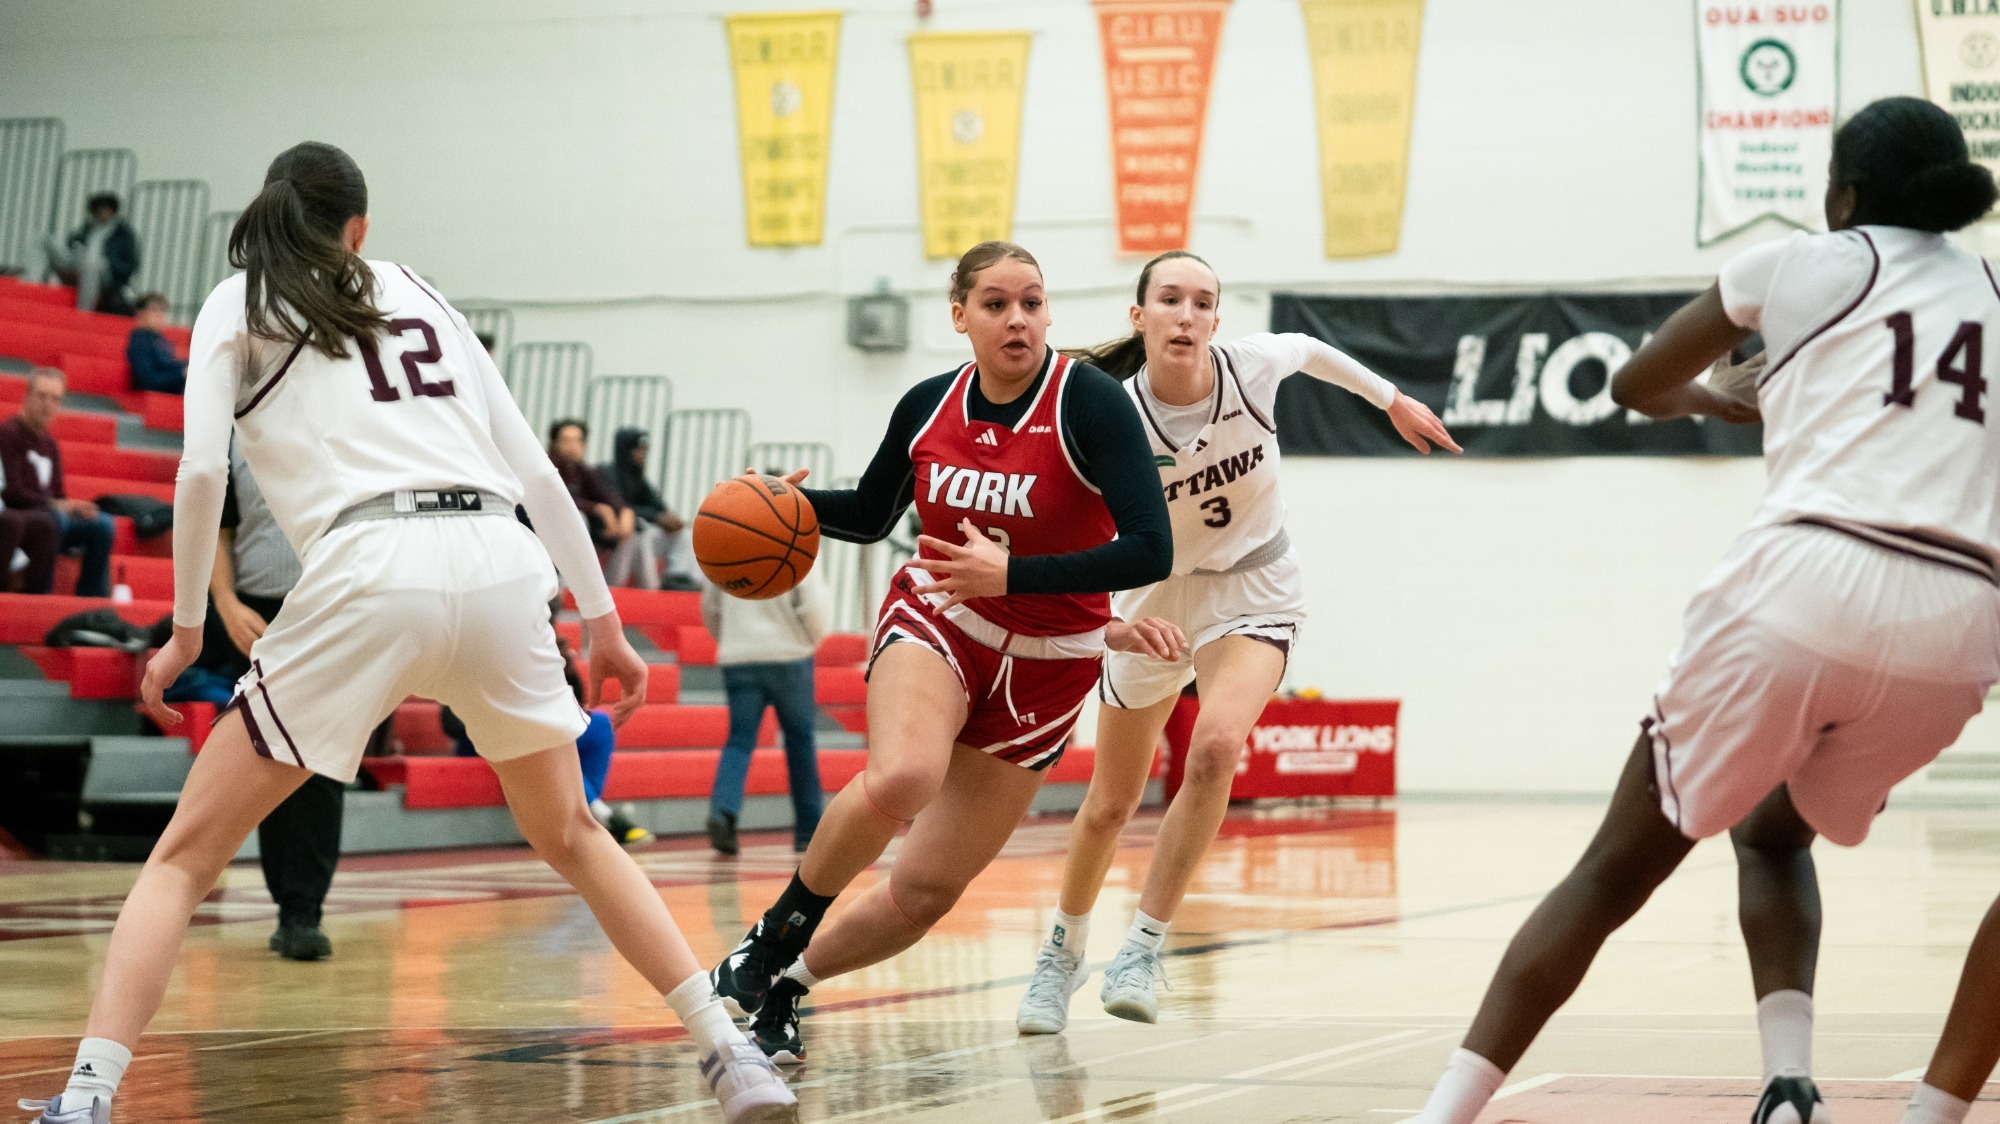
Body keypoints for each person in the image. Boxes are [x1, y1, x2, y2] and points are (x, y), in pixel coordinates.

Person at [15, 142, 794, 1124]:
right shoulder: (413, 285)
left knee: (183, 856)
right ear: (359, 229)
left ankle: (86, 1098)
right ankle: (734, 1054)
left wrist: (180, 628)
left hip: (370, 563)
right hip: (498, 553)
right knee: (572, 830)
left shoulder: (236, 300)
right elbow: (537, 470)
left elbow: (200, 475)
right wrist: (603, 622)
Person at [1407, 96, 2000, 1124]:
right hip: (1958, 622)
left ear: (1845, 193)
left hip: (1811, 575)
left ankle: (1440, 1113)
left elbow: (1638, 380)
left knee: (1608, 873)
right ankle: (1813, 1089)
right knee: (1771, 830)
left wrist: (1724, 398)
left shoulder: (1802, 260)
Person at [707, 240, 1183, 1066]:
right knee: (903, 775)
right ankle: (770, 934)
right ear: (959, 315)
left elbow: (1151, 549)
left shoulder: (1091, 404)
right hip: (941, 623)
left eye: (1032, 302)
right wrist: (785, 505)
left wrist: (1017, 571)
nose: (1018, 319)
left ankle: (790, 985)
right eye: (997, 304)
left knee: (926, 892)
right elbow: (866, 508)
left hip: (1048, 661)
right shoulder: (929, 403)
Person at [1016, 252, 1459, 1034]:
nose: (1187, 314)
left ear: (1217, 320)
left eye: (1203, 302)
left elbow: (1314, 351)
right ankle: (1062, 951)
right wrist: (1084, 610)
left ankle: (1145, 949)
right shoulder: (1107, 413)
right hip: (1153, 597)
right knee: (1110, 804)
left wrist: (1391, 400)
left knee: (1217, 746)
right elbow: (1068, 522)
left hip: (1255, 584)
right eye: (1170, 300)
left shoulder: (1249, 368)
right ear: (1140, 316)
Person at [162, 439, 351, 962]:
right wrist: (224, 602)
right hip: (257, 612)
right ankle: (287, 906)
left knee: (319, 762)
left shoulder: (340, 424)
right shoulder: (229, 441)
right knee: (269, 755)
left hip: (329, 608)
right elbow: (218, 532)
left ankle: (303, 909)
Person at [440, 622, 655, 848]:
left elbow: (576, 706)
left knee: (599, 724)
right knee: (542, 737)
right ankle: (603, 817)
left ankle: (580, 812)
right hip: (486, 738)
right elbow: (451, 725)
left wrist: (564, 670)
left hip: (533, 732)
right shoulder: (470, 654)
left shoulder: (534, 643)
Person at [701, 550, 829, 856]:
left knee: (739, 741)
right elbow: (812, 603)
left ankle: (722, 811)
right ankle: (808, 833)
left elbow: (710, 605)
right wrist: (811, 642)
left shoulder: (725, 535)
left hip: (740, 655)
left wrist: (730, 640)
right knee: (800, 742)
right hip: (789, 654)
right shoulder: (797, 535)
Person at [0, 368, 114, 597]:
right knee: (55, 519)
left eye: (55, 399)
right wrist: (58, 506)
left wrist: (74, 507)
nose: (48, 404)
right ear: (27, 396)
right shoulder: (8, 433)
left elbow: (58, 494)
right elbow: (13, 493)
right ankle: (44, 593)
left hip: (50, 514)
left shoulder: (49, 444)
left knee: (103, 524)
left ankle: (91, 601)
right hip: (21, 517)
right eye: (42, 396)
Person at [548, 418, 657, 590]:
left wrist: (625, 512)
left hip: (591, 537)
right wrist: (598, 509)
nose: (573, 446)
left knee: (635, 531)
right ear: (554, 443)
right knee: (579, 518)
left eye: (578, 440)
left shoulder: (584, 471)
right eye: (566, 440)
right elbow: (557, 500)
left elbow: (607, 496)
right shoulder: (546, 469)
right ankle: (570, 587)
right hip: (549, 537)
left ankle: (614, 591)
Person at [603, 426, 700, 591]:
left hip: (644, 532)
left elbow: (656, 504)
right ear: (626, 451)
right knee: (641, 533)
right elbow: (619, 507)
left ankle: (677, 577)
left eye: (645, 449)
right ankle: (650, 588)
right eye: (639, 449)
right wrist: (656, 517)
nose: (643, 454)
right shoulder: (607, 474)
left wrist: (669, 518)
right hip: (618, 535)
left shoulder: (639, 478)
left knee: (684, 535)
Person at [43, 192, 138, 315]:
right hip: (77, 266)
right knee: (43, 239)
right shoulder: (86, 229)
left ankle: (83, 313)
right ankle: (31, 285)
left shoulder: (124, 235)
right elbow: (70, 245)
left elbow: (130, 266)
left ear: (113, 212)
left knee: (92, 263)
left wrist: (107, 263)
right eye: (99, 211)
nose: (103, 214)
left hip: (105, 275)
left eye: (106, 211)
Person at [126, 293, 187, 394]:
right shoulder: (140, 341)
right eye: (154, 310)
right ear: (140, 313)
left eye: (163, 310)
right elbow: (149, 380)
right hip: (151, 394)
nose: (159, 315)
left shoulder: (162, 341)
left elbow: (168, 367)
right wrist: (181, 373)